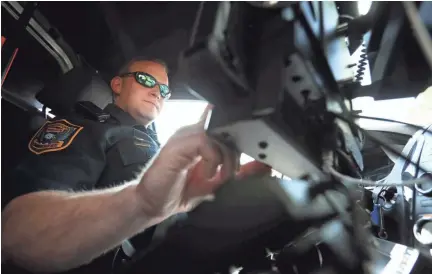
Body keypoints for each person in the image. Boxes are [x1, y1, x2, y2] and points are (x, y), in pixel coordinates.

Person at [1, 57, 270, 274]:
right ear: (117, 85)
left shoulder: (165, 150)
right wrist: (141, 203)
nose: (158, 92)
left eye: (165, 90)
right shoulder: (86, 128)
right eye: (145, 80)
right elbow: (14, 229)